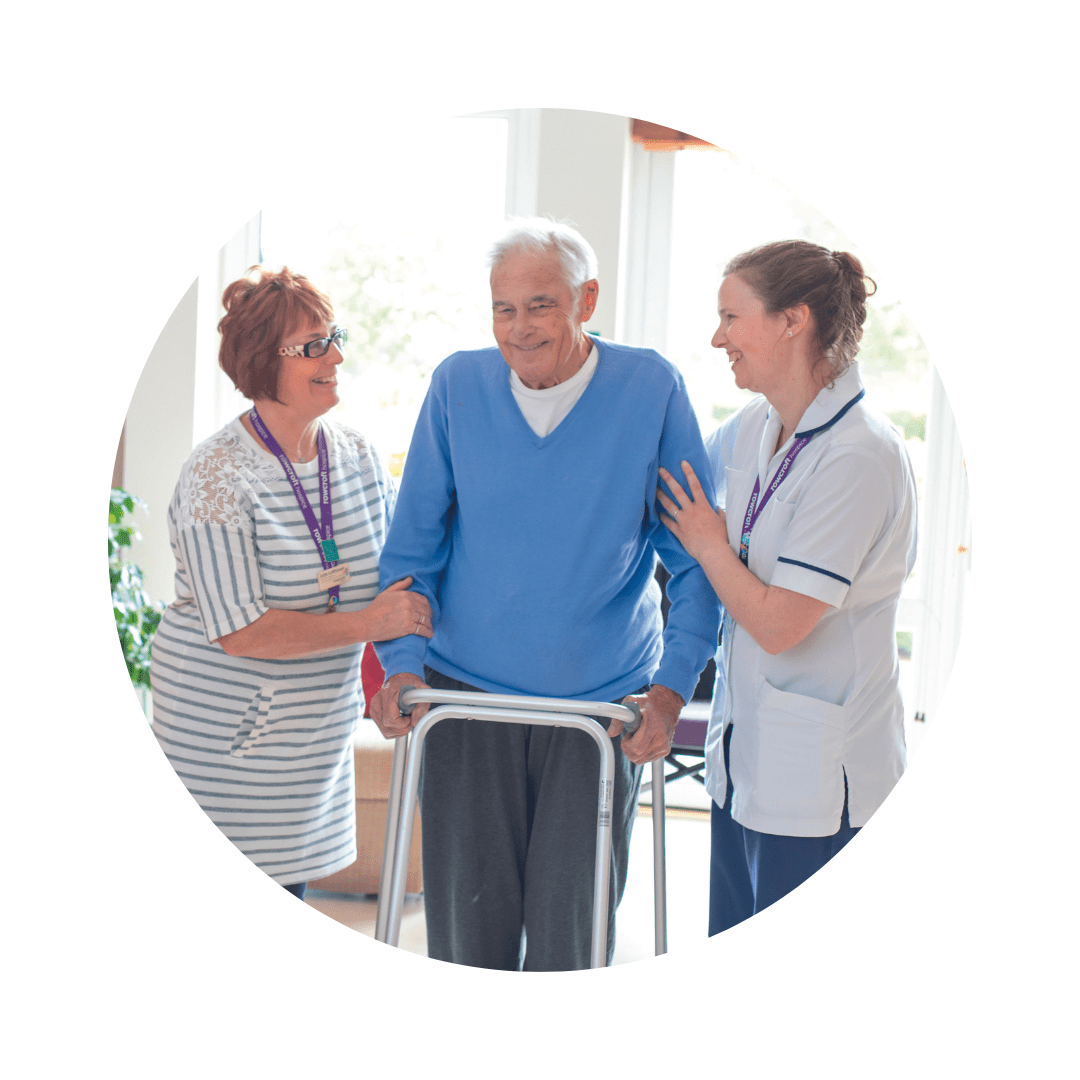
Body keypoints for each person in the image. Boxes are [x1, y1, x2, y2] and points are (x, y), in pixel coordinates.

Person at [370, 218, 720, 970]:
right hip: (464, 702)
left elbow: (696, 559)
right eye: (504, 309)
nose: (519, 329)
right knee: (467, 940)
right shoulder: (457, 386)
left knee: (576, 936)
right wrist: (400, 663)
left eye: (541, 305)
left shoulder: (649, 388)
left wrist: (669, 691)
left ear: (586, 299)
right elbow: (412, 549)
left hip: (597, 711)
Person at [655, 239, 918, 934]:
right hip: (742, 768)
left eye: (731, 317)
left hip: (822, 786)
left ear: (792, 320)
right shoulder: (752, 429)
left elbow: (779, 624)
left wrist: (710, 544)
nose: (718, 338)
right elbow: (664, 498)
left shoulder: (860, 456)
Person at [150, 266, 432, 901]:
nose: (334, 356)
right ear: (259, 364)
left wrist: (399, 671)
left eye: (335, 337)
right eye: (311, 347)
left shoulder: (357, 456)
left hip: (308, 749)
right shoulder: (216, 476)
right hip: (219, 745)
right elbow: (242, 632)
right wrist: (367, 627)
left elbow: (400, 578)